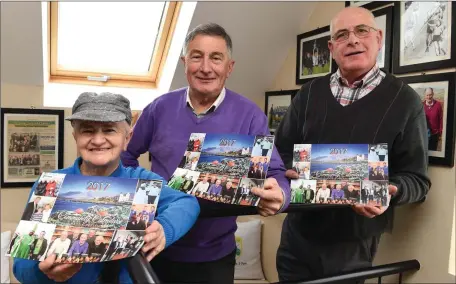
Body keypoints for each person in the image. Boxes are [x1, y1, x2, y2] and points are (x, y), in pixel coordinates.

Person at [121, 23, 290, 283]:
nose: (206, 68)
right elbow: (126, 157)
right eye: (197, 56)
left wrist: (281, 194)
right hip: (156, 245)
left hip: (216, 256)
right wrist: (144, 198)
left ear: (229, 67)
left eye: (216, 58)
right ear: (184, 62)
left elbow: (276, 171)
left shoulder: (250, 115)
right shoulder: (157, 109)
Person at [274, 6, 431, 282]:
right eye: (343, 34)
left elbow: (417, 180)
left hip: (353, 247)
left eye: (362, 31)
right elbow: (281, 152)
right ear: (332, 47)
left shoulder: (406, 101)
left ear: (378, 39)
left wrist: (390, 191)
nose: (353, 40)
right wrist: (291, 170)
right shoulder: (308, 94)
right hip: (297, 238)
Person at [13, 92, 200, 284]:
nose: (98, 140)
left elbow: (186, 203)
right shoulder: (50, 184)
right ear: (75, 137)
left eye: (109, 130)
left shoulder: (142, 182)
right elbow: (21, 266)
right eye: (87, 130)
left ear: (127, 138)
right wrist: (43, 272)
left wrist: (164, 229)